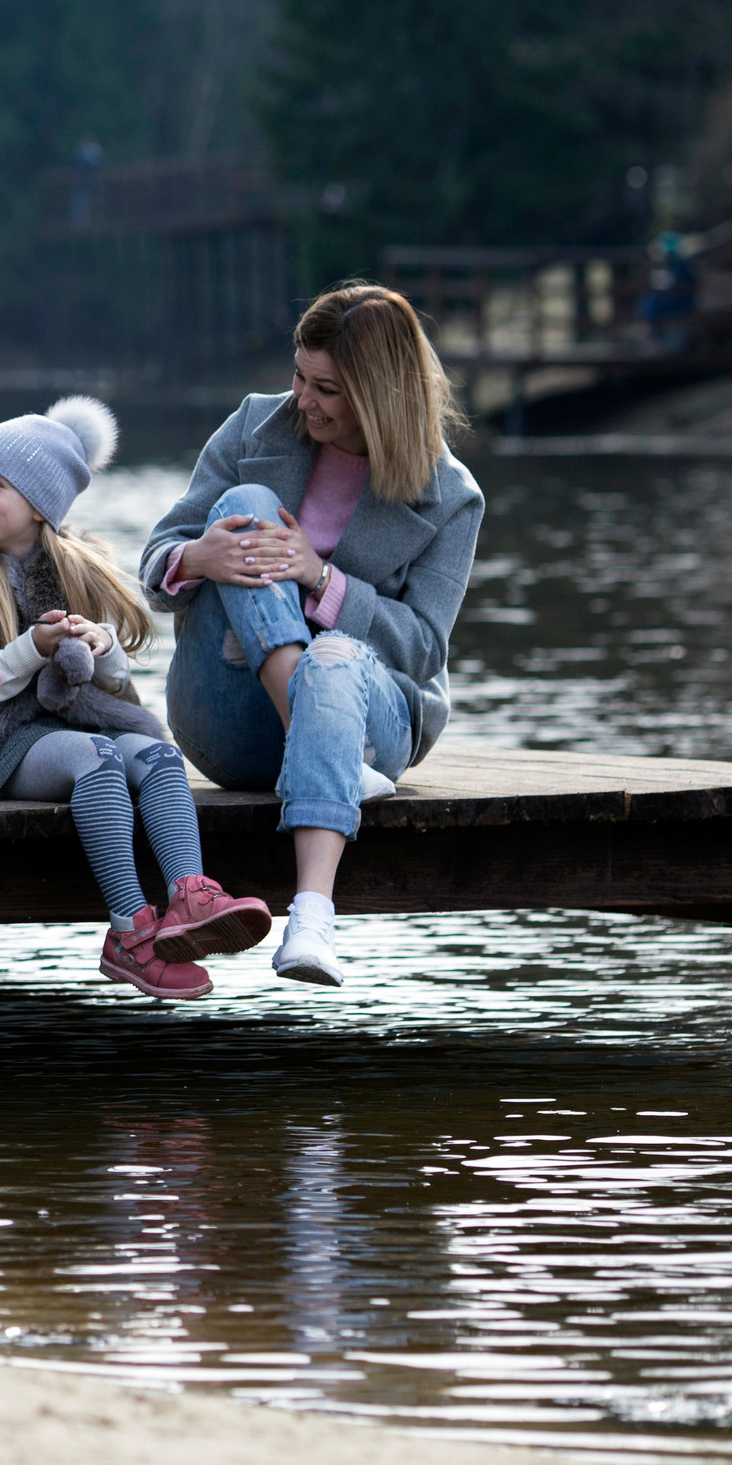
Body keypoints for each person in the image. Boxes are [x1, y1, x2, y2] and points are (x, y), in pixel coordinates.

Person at [141, 283, 483, 988]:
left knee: (332, 655)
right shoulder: (253, 428)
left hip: (368, 729)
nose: (303, 398)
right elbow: (155, 556)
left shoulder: (451, 495)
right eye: (299, 375)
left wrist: (323, 580)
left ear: (378, 393)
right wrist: (193, 558)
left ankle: (311, 920)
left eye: (326, 388)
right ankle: (310, 734)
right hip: (231, 715)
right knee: (243, 507)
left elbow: (422, 648)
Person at [0, 397, 268, 1001]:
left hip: (70, 720)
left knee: (157, 758)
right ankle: (130, 933)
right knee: (96, 759)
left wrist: (98, 643)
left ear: (40, 502)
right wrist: (35, 646)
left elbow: (116, 666)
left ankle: (190, 895)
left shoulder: (75, 563)